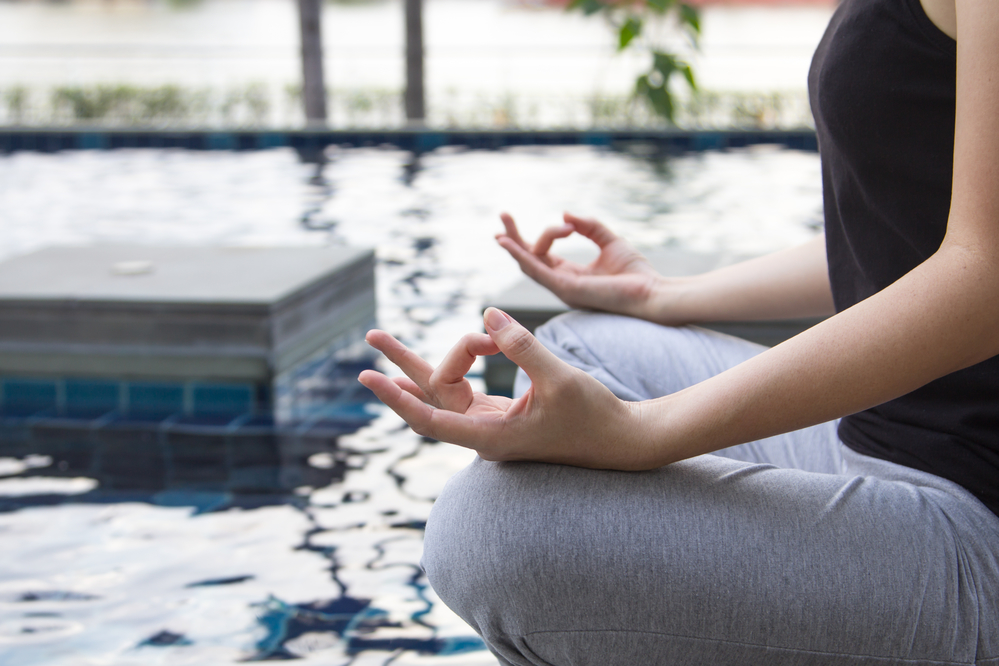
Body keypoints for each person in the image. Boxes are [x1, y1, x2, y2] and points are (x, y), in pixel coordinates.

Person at [358, 0, 999, 662]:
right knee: (582, 343)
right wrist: (662, 295)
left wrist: (641, 434)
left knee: (488, 533)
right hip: (885, 439)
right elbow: (906, 233)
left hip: (979, 520)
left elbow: (983, 283)